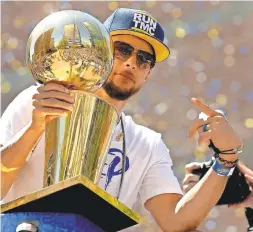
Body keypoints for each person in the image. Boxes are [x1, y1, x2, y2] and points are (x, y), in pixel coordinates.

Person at [1, 8, 243, 232]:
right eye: (123, 50)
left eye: (144, 59)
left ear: (148, 73)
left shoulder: (147, 144)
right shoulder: (40, 100)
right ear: (100, 52)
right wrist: (35, 127)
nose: (131, 63)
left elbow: (176, 222)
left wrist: (226, 158)